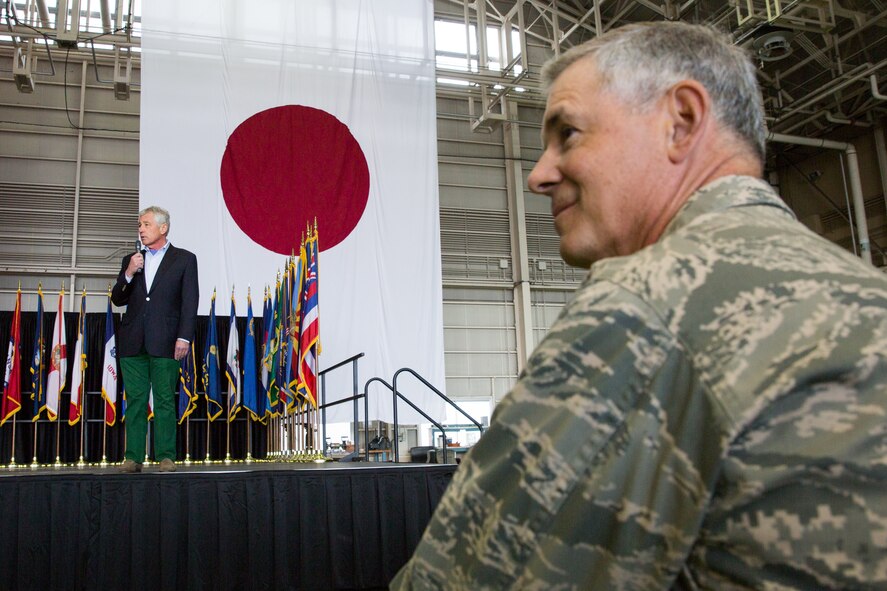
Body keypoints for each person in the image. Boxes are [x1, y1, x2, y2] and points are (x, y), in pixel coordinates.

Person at [392, 21, 887, 590]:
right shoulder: (865, 292)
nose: (538, 174)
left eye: (568, 135)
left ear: (680, 122)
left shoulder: (646, 306)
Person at [112, 206, 198, 473]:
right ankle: (133, 457)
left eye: (146, 224)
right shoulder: (132, 259)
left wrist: (184, 336)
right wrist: (128, 273)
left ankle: (165, 456)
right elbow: (118, 298)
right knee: (135, 400)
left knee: (163, 400)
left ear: (163, 228)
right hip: (132, 342)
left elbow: (189, 302)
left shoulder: (184, 259)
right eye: (140, 224)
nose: (141, 229)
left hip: (167, 341)